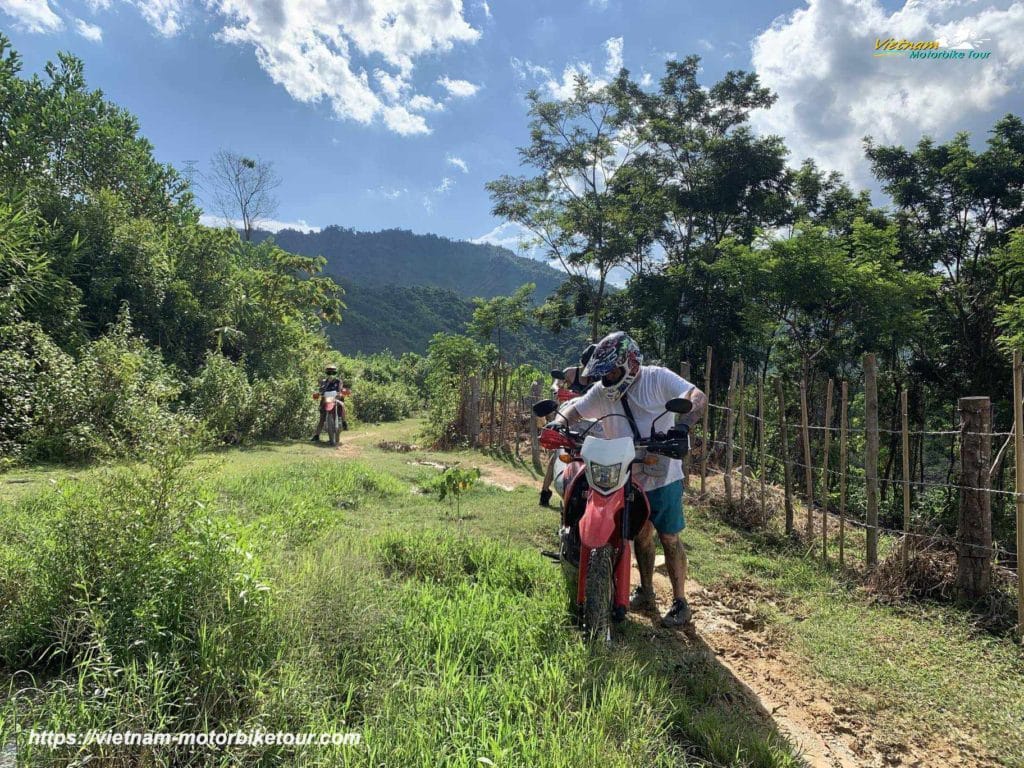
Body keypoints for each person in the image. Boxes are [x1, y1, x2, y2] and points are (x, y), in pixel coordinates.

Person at [549, 331, 707, 628]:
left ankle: (680, 601)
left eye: (612, 371)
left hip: (660, 470)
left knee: (669, 537)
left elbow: (696, 396)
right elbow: (576, 407)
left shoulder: (657, 378)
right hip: (623, 473)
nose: (607, 377)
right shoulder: (602, 391)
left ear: (630, 363)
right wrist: (558, 423)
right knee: (640, 535)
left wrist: (683, 427)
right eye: (603, 373)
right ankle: (646, 591)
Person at [539, 343, 598, 507]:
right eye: (587, 365)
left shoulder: (600, 378)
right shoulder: (572, 373)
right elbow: (555, 383)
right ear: (583, 362)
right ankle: (545, 491)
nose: (589, 369)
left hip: (593, 422)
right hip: (569, 418)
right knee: (561, 451)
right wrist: (558, 390)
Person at [311, 364, 348, 441]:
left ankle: (344, 422)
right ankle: (317, 435)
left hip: (335, 399)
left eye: (333, 373)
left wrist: (341, 392)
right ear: (326, 373)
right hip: (325, 400)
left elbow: (340, 389)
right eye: (329, 372)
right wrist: (317, 394)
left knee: (342, 405)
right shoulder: (324, 382)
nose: (331, 374)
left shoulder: (338, 381)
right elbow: (321, 390)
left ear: (335, 373)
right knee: (322, 418)